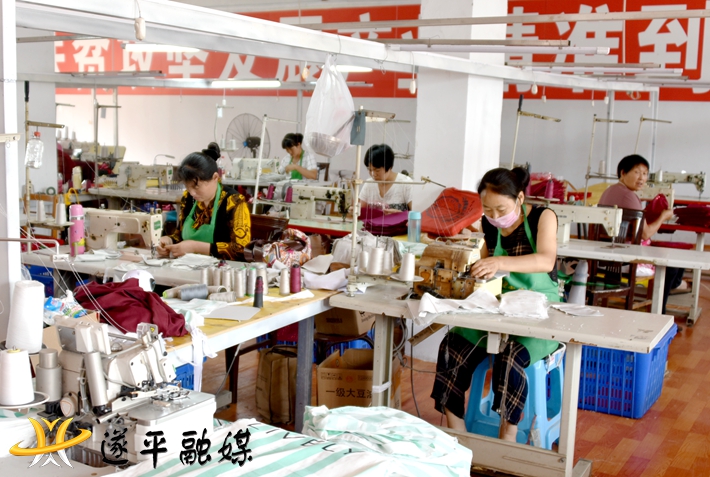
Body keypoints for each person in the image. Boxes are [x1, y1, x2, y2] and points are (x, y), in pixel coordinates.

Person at [431, 167, 560, 442]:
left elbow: (546, 260)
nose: (495, 216)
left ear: (520, 198)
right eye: (488, 210)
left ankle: (507, 439)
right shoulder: (489, 225)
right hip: (501, 307)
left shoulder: (543, 217)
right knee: (452, 345)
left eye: (501, 209)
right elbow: (485, 267)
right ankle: (457, 434)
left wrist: (499, 262)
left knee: (510, 355)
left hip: (539, 311)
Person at [597, 154, 685, 314]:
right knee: (672, 267)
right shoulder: (629, 196)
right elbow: (645, 234)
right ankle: (659, 313)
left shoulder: (609, 191)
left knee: (673, 265)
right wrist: (663, 216)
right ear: (623, 173)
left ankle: (662, 300)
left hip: (606, 255)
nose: (642, 178)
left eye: (645, 173)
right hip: (625, 259)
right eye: (637, 172)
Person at [158, 142, 251, 260]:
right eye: (188, 187)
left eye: (196, 186)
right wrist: (168, 240)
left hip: (221, 268)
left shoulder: (234, 202)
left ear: (215, 178)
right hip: (188, 265)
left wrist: (195, 247)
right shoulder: (188, 198)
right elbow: (179, 236)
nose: (192, 193)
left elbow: (242, 250)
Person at [359, 144, 412, 213]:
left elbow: (417, 213)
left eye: (377, 170)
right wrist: (354, 211)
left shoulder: (406, 183)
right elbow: (361, 210)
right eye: (369, 169)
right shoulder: (369, 184)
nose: (373, 174)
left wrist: (400, 214)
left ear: (389, 167)